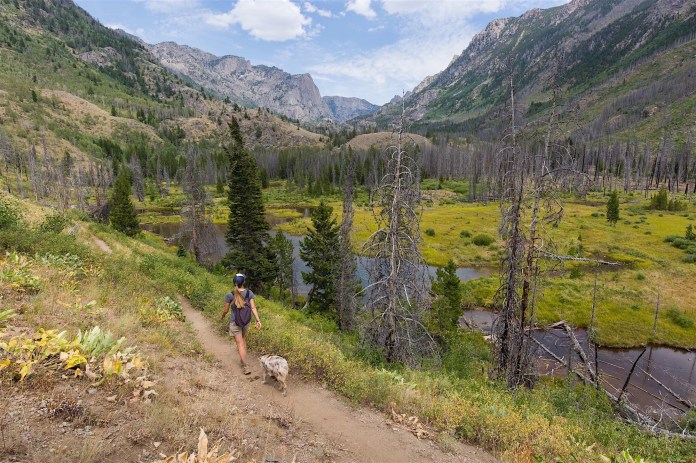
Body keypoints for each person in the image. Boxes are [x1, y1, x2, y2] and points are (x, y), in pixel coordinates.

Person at [220, 273, 262, 374]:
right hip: (245, 321)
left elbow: (226, 309)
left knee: (240, 344)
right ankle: (243, 360)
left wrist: (223, 316)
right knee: (242, 340)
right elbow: (253, 308)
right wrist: (258, 320)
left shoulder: (230, 294)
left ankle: (245, 366)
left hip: (235, 322)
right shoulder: (249, 293)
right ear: (243, 282)